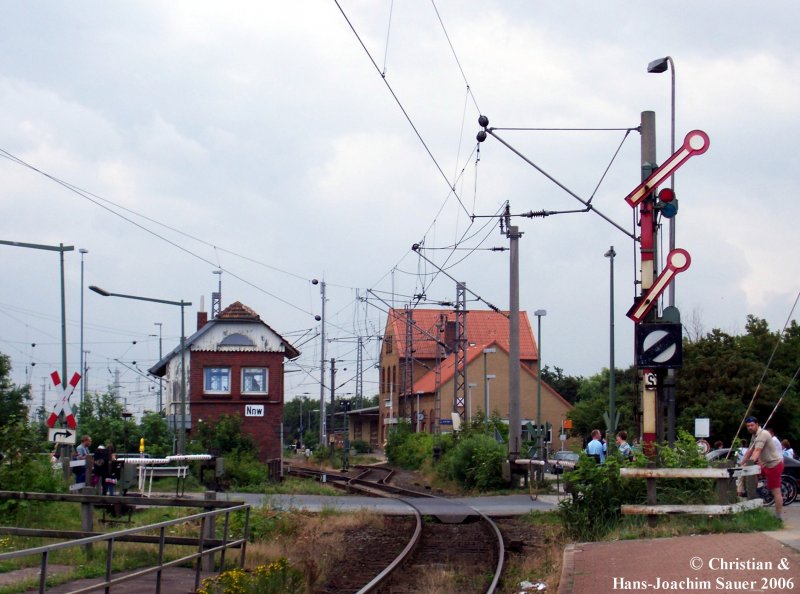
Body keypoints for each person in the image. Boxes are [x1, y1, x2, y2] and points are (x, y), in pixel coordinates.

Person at [741, 416, 784, 519]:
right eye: (748, 426)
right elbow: (750, 451)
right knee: (752, 473)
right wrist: (741, 464)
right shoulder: (754, 435)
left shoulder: (763, 434)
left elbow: (757, 451)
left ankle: (778, 517)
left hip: (773, 464)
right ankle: (755, 489)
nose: (750, 427)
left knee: (776, 491)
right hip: (764, 464)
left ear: (757, 425)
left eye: (752, 425)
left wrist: (749, 464)